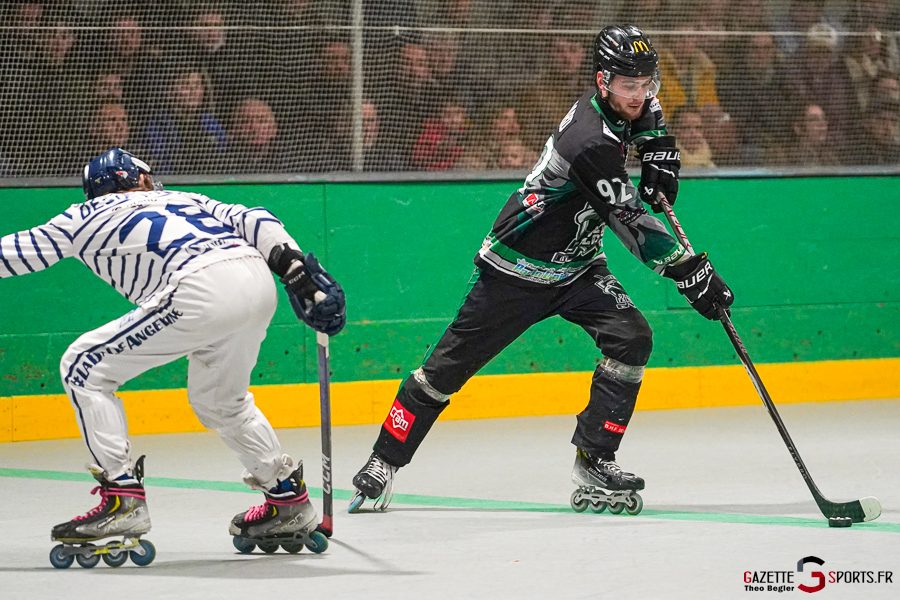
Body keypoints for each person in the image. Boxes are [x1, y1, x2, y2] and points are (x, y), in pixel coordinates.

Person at [348, 25, 734, 514]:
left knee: (632, 337)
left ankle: (595, 458)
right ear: (601, 82)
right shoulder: (588, 140)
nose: (639, 95)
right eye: (627, 86)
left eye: (646, 84)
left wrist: (657, 143)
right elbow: (630, 220)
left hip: (578, 267)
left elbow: (647, 114)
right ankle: (384, 460)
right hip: (517, 268)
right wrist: (688, 272)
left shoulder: (626, 102)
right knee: (446, 369)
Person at [0, 149, 345, 565]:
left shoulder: (81, 216)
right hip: (255, 280)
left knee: (82, 367)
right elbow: (255, 217)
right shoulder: (186, 198)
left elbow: (11, 255)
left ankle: (122, 501)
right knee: (220, 400)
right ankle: (286, 496)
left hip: (198, 287)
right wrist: (294, 269)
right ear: (140, 180)